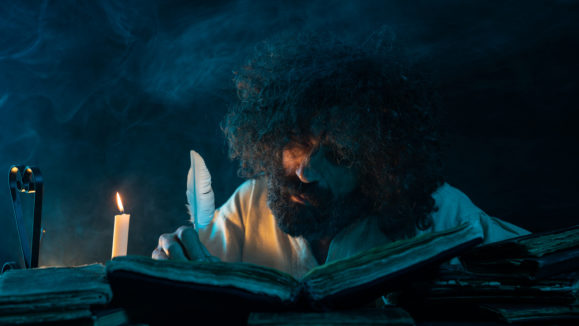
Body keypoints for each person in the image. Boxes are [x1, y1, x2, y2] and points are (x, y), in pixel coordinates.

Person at [152, 32, 529, 279]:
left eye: (337, 154)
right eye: (295, 142)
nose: (305, 173)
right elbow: (190, 273)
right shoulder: (250, 205)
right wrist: (174, 260)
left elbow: (551, 268)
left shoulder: (443, 214)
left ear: (380, 162)